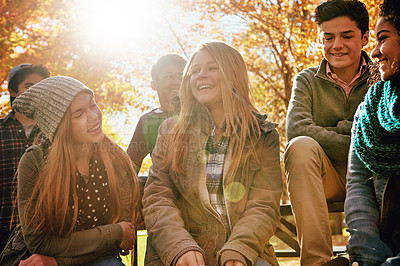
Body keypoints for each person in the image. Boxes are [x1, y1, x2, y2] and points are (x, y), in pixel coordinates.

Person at [142, 41, 283, 266]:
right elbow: (157, 196)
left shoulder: (262, 135)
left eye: (212, 68)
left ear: (233, 73)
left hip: (243, 250)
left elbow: (264, 204)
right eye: (195, 71)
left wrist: (239, 249)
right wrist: (179, 247)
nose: (201, 75)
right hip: (184, 252)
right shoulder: (170, 131)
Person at [9, 76, 139, 265]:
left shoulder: (116, 160)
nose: (94, 116)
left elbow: (122, 238)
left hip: (96, 261)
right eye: (79, 114)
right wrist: (111, 233)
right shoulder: (35, 162)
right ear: (59, 127)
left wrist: (59, 262)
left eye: (92, 105)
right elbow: (40, 241)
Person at [283, 0, 373, 264]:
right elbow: (297, 129)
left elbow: (385, 136)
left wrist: (330, 130)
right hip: (326, 178)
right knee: (300, 146)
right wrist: (353, 130)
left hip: (372, 178)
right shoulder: (306, 80)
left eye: (347, 36)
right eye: (328, 37)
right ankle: (317, 263)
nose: (337, 45)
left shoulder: (382, 77)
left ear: (365, 37)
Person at [345, 0, 400, 264]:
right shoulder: (368, 111)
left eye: (383, 38)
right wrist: (370, 257)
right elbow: (358, 184)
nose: (375, 53)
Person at [0, 64, 50, 251]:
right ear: (13, 91)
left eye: (42, 86)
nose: (37, 91)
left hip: (44, 231)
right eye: (29, 86)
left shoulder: (55, 133)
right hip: (3, 226)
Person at [127, 54, 186, 173]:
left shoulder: (202, 114)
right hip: (162, 188)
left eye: (181, 76)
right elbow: (130, 166)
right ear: (154, 85)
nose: (176, 82)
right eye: (169, 76)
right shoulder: (147, 120)